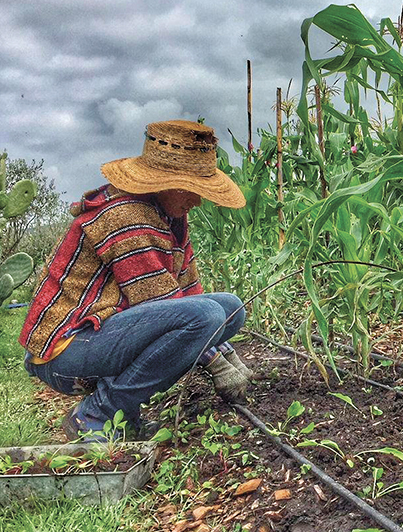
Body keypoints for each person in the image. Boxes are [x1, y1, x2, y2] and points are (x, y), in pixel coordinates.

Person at [19, 119, 252, 441]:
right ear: (162, 182)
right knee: (209, 316)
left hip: (105, 336)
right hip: (66, 351)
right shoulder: (126, 216)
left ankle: (122, 416)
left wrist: (224, 348)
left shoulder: (169, 217)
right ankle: (97, 413)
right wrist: (216, 360)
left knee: (230, 307)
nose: (198, 201)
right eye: (192, 190)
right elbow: (161, 304)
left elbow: (188, 294)